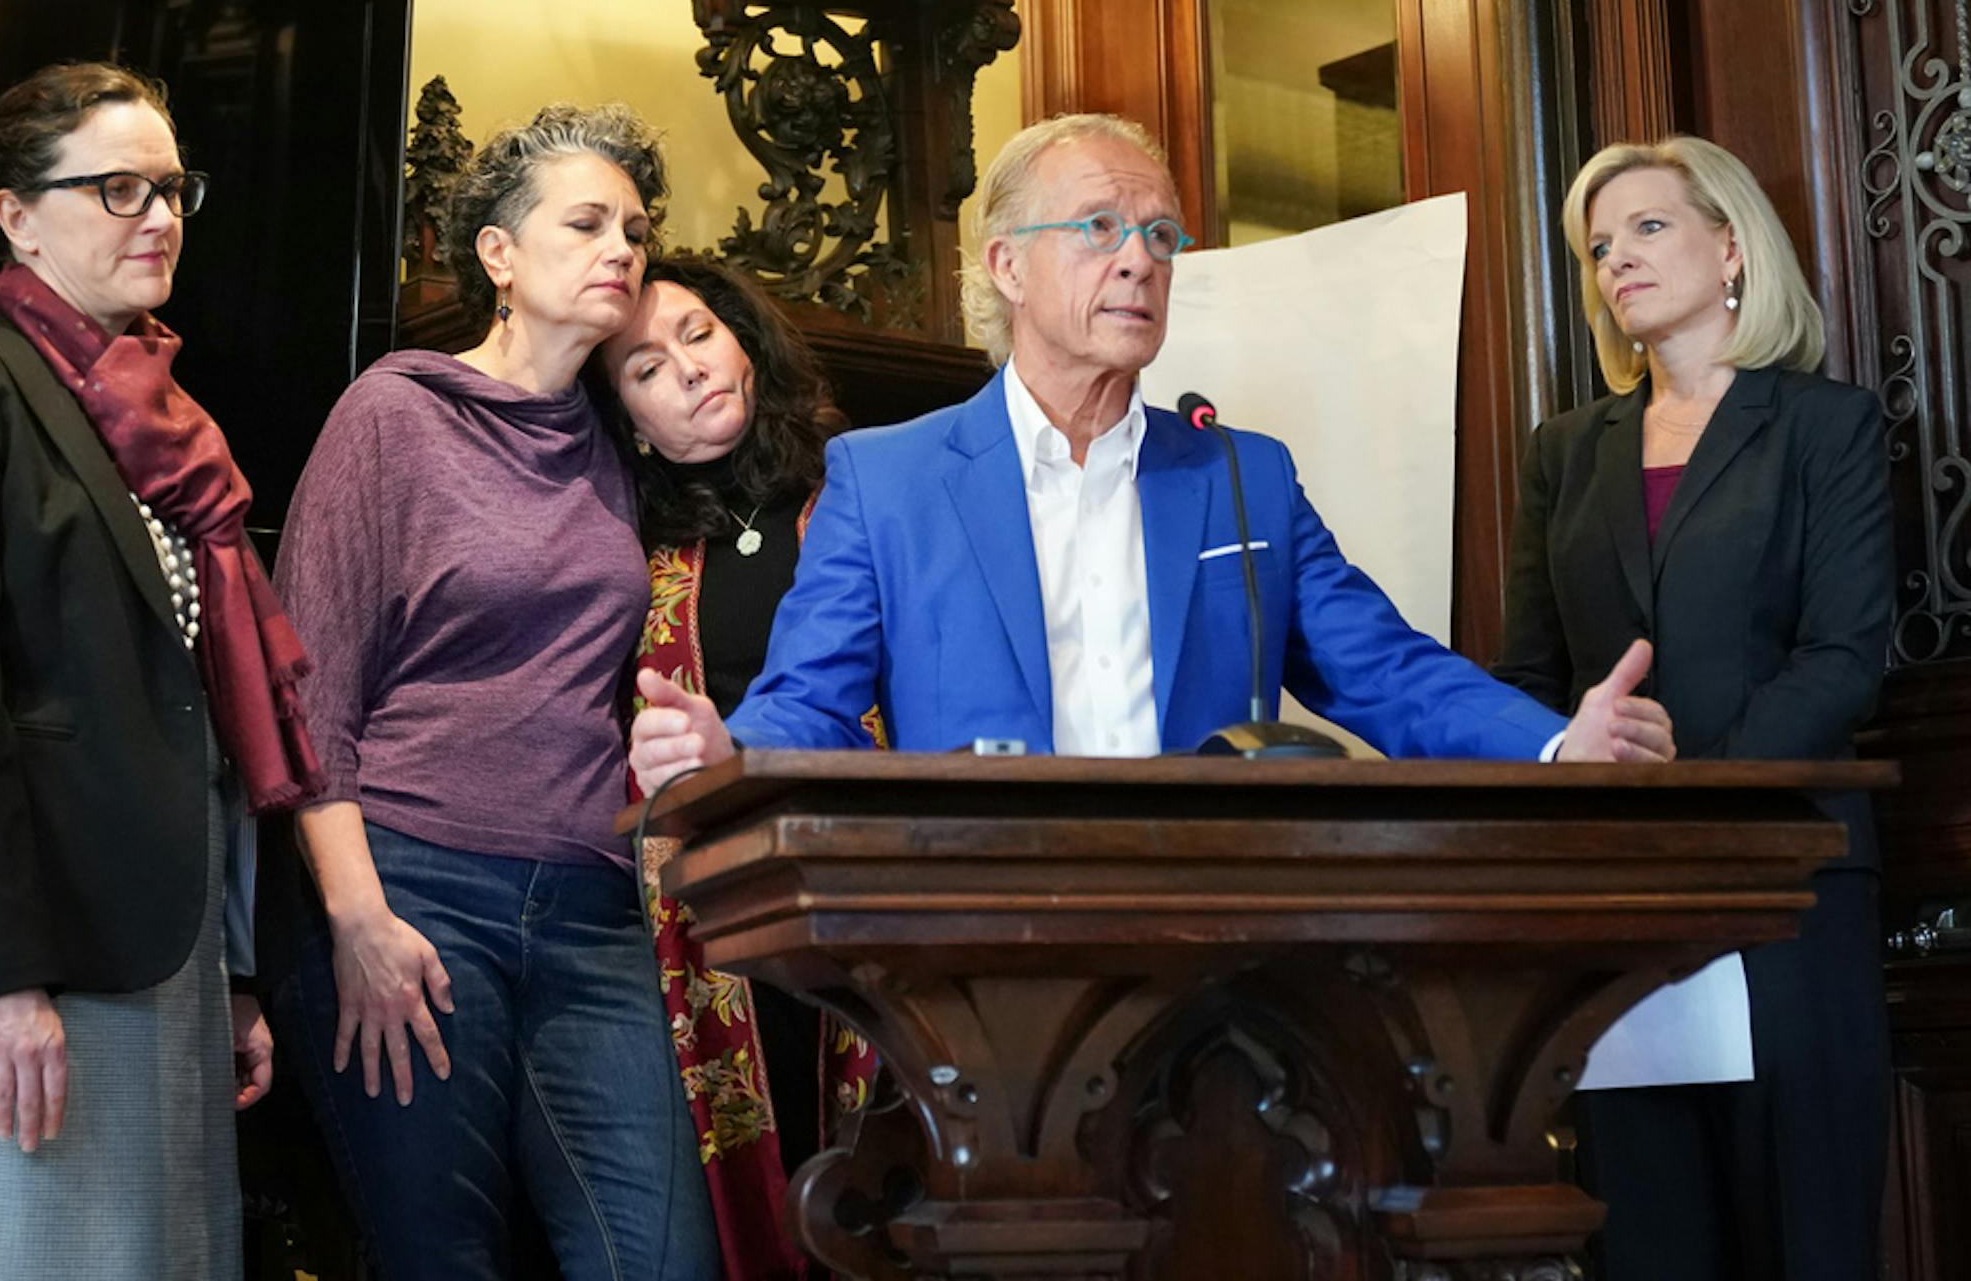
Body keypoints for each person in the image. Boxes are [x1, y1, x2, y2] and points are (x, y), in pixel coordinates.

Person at [630, 111, 1676, 789]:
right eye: (1099, 228)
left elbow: (1386, 670)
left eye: (1162, 235)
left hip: (1206, 916)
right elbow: (809, 696)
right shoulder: (889, 478)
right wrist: (728, 747)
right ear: (1006, 265)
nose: (1140, 261)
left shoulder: (1240, 474)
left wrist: (1553, 743)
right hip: (977, 930)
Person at [0, 61, 306, 1279]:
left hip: (163, 949)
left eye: (175, 186)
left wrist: (236, 967)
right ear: (16, 215)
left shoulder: (167, 423)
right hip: (7, 959)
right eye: (119, 187)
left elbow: (207, 716)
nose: (160, 214)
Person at [272, 104, 719, 1281]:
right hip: (413, 892)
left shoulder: (619, 442)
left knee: (663, 1257)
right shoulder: (394, 413)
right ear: (500, 256)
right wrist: (359, 922)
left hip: (593, 907)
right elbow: (306, 703)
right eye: (585, 221)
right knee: (441, 1259)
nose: (622, 243)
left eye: (633, 224)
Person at [1493, 135, 1892, 1280]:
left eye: (1648, 228)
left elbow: (1844, 656)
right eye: (1599, 245)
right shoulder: (1566, 451)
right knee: (1648, 1234)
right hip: (1617, 893)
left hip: (1788, 882)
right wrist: (1572, 757)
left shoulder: (1826, 426)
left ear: (1729, 246)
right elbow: (1526, 670)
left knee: (1802, 1231)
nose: (1617, 258)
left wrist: (1694, 784)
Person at [591, 258, 875, 1278]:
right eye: (645, 368)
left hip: (869, 902)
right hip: (703, 932)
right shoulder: (629, 549)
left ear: (747, 338)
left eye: (700, 334)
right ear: (628, 418)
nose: (689, 372)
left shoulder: (866, 493)